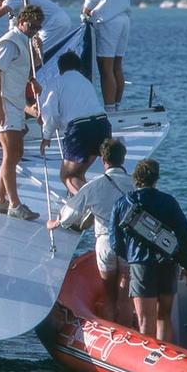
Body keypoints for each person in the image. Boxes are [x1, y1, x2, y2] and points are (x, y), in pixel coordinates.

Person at [47, 138, 134, 323]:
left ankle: (111, 331)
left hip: (105, 242)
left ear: (104, 160)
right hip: (129, 243)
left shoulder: (95, 186)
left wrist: (57, 222)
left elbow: (71, 212)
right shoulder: (134, 184)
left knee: (109, 295)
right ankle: (126, 330)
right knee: (125, 296)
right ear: (123, 158)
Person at [110, 159, 187, 342]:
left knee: (144, 321)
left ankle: (148, 362)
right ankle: (166, 356)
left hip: (140, 264)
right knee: (163, 316)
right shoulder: (168, 201)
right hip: (168, 262)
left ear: (135, 178)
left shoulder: (122, 203)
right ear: (156, 178)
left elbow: (115, 242)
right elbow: (185, 234)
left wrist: (131, 257)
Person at [0, 5, 44, 221]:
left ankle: (0, 199)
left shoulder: (25, 42)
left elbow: (22, 69)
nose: (34, 30)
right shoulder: (10, 42)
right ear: (22, 21)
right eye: (31, 25)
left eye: (38, 27)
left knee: (15, 153)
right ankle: (14, 204)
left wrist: (32, 79)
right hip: (4, 104)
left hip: (13, 102)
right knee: (12, 153)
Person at [38, 51, 111, 194]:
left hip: (80, 129)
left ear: (60, 69)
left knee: (67, 175)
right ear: (78, 68)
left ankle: (90, 207)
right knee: (78, 173)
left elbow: (51, 114)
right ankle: (82, 202)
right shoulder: (86, 82)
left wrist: (46, 136)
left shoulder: (57, 83)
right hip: (103, 125)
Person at [82, 0, 132, 112]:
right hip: (124, 19)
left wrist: (86, 10)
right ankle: (117, 106)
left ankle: (109, 110)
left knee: (105, 67)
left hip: (108, 20)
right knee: (118, 66)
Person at [0, 0, 72, 53]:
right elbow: (13, 31)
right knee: (38, 51)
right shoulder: (13, 10)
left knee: (35, 53)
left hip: (55, 22)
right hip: (57, 22)